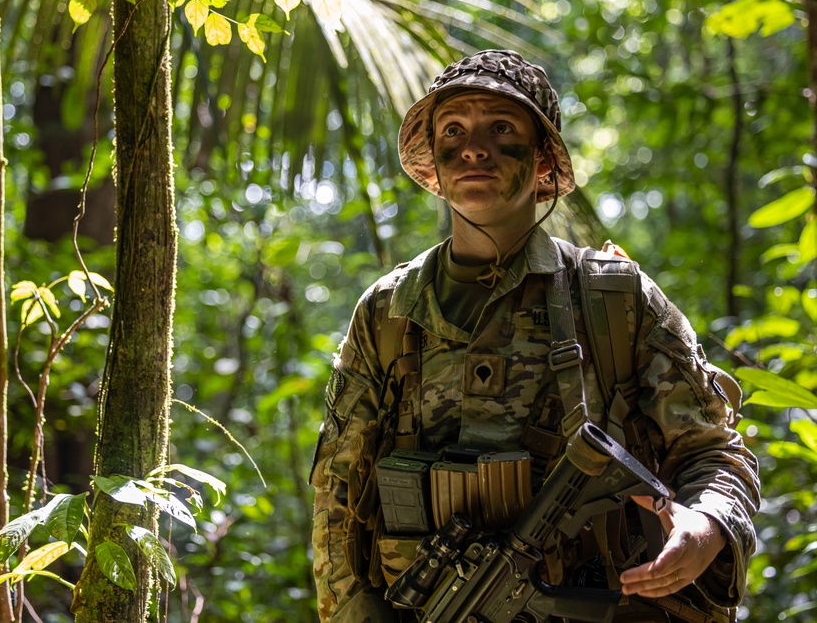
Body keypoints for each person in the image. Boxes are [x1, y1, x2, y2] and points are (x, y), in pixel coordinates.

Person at [309, 50, 759, 622]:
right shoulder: (387, 312)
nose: (475, 147)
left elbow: (714, 451)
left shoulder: (612, 298)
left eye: (502, 128)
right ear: (436, 162)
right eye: (454, 130)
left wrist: (708, 523)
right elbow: (338, 499)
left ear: (543, 160)